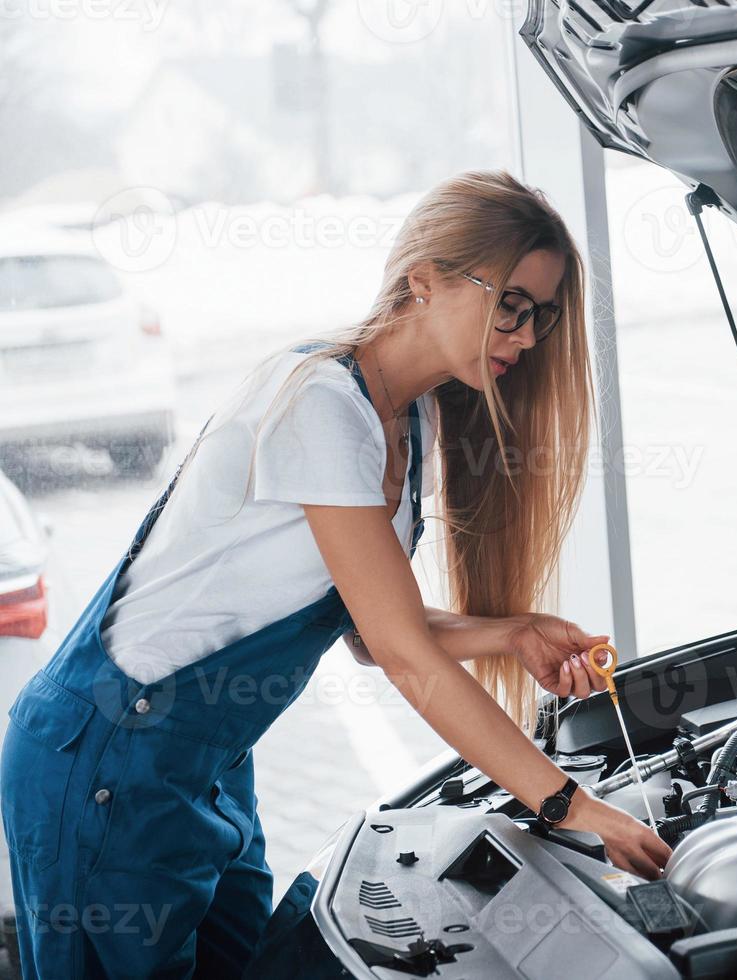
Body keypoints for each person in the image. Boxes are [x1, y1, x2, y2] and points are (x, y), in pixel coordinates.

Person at [0, 170, 671, 978]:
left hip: (206, 764)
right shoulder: (322, 400)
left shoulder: (412, 420)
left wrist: (512, 631)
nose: (526, 339)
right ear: (421, 282)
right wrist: (570, 805)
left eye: (543, 316)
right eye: (513, 307)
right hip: (108, 754)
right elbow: (399, 654)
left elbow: (365, 628)